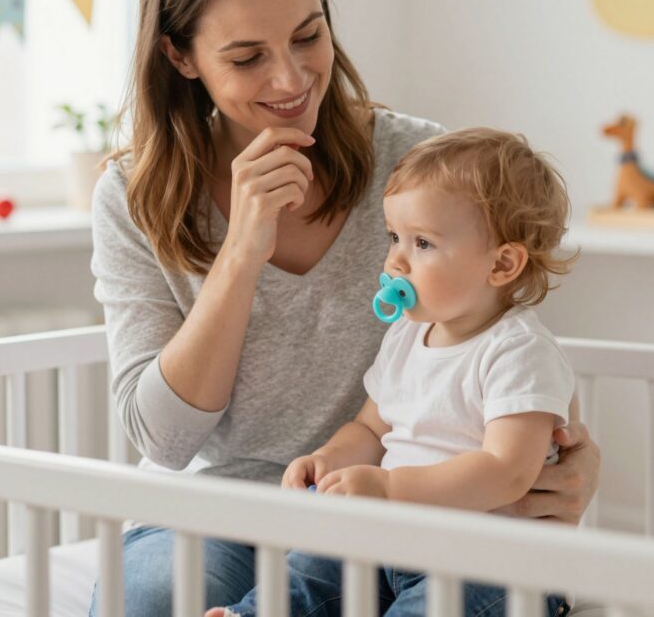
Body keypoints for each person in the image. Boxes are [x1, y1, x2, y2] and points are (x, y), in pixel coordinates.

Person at [89, 0, 600, 616]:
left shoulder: (423, 167)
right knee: (154, 602)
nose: (292, 80)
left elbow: (509, 345)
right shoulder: (131, 195)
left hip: (405, 505)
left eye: (308, 36)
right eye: (246, 57)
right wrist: (241, 250)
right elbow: (165, 442)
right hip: (221, 509)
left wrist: (572, 462)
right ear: (180, 55)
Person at [208, 128, 577, 617]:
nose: (396, 260)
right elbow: (370, 427)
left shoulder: (518, 352)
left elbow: (507, 472)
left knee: (443, 602)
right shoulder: (406, 336)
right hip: (394, 539)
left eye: (422, 243)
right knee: (315, 565)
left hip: (494, 562)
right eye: (394, 237)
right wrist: (329, 458)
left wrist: (388, 489)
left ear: (502, 263)